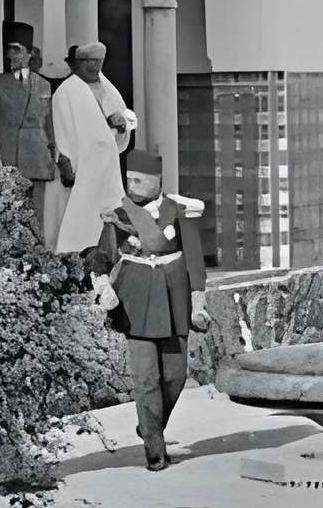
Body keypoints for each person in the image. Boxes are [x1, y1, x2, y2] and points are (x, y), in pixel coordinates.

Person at [96, 157, 209, 471]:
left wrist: (198, 303)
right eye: (128, 180)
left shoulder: (178, 211)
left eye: (138, 181)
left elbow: (195, 263)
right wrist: (104, 288)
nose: (131, 187)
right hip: (136, 302)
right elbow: (101, 260)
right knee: (146, 379)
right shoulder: (119, 216)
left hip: (175, 300)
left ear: (157, 181)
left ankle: (150, 425)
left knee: (175, 377)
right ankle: (154, 450)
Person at [45, 40, 137, 269]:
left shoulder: (107, 88)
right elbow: (62, 129)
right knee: (78, 221)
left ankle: (108, 263)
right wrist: (65, 162)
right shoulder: (67, 91)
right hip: (81, 169)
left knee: (108, 218)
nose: (95, 67)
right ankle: (74, 265)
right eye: (89, 62)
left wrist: (121, 124)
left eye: (99, 62)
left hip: (105, 169)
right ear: (77, 63)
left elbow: (117, 125)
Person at [0, 34, 56, 237]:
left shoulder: (44, 85)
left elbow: (50, 123)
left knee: (36, 218)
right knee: (5, 218)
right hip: (6, 158)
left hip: (37, 159)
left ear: (30, 53)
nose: (11, 55)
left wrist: (53, 153)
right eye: (8, 49)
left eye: (17, 49)